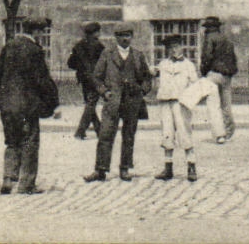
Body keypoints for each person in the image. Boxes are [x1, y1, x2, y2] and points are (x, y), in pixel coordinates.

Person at [0, 29, 59, 195]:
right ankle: (26, 184)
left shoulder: (9, 46)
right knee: (29, 142)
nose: (41, 36)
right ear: (36, 33)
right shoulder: (34, 50)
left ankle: (8, 178)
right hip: (27, 106)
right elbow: (42, 79)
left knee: (12, 141)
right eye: (42, 33)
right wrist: (53, 101)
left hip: (7, 106)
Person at [84, 24, 153, 182]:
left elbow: (147, 78)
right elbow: (96, 77)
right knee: (105, 134)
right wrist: (104, 92)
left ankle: (125, 168)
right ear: (116, 37)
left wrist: (142, 91)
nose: (125, 38)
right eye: (121, 35)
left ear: (131, 37)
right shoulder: (107, 54)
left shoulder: (137, 55)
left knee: (129, 136)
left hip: (132, 102)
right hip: (112, 102)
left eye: (128, 35)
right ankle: (100, 170)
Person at [153, 34, 205, 182]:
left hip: (181, 103)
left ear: (181, 47)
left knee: (184, 133)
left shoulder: (189, 65)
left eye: (175, 46)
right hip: (165, 102)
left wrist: (189, 99)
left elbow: (195, 84)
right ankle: (168, 168)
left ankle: (191, 166)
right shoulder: (163, 64)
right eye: (170, 48)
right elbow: (154, 74)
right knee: (167, 133)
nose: (173, 50)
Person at [199, 16, 238, 143]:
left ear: (209, 28)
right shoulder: (226, 39)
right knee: (226, 105)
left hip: (214, 74)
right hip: (227, 75)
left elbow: (206, 57)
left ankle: (219, 135)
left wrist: (204, 72)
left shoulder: (209, 38)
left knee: (213, 105)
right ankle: (229, 131)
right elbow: (233, 58)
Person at [67, 21, 105, 140]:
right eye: (98, 32)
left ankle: (99, 130)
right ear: (95, 33)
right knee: (91, 104)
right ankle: (80, 131)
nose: (99, 34)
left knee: (90, 104)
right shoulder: (99, 46)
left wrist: (80, 68)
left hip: (84, 78)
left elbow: (70, 63)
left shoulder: (78, 46)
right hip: (95, 79)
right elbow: (104, 63)